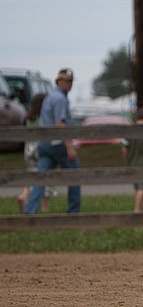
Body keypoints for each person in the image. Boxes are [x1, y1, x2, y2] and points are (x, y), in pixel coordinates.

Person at [23, 68, 80, 214]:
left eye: (71, 81)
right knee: (75, 176)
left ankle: (29, 213)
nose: (69, 84)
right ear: (58, 81)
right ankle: (74, 213)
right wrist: (69, 147)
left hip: (44, 144)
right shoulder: (60, 99)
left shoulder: (50, 96)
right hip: (58, 144)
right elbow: (60, 125)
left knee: (40, 179)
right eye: (66, 81)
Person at [17, 93, 56, 213]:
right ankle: (44, 206)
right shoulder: (44, 117)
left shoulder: (29, 117)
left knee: (32, 175)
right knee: (45, 176)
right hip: (40, 148)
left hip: (29, 149)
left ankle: (24, 195)